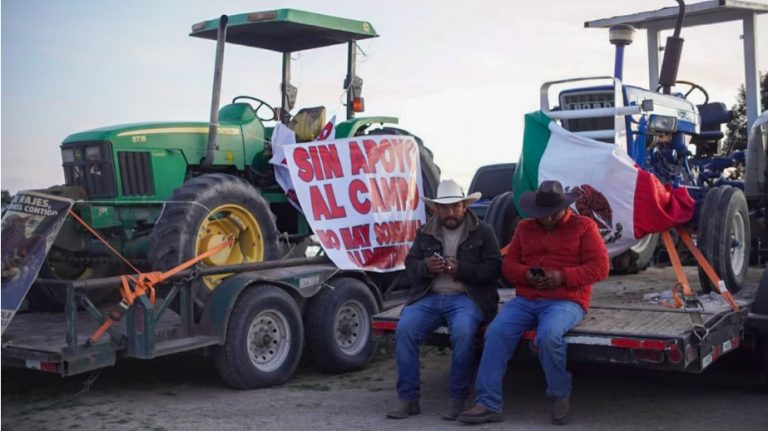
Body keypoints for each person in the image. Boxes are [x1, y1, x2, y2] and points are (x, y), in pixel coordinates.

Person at [458, 180, 609, 425]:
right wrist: (527, 275)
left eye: (552, 214)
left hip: (566, 299)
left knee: (548, 337)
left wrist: (562, 276)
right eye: (543, 215)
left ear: (564, 207)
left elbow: (600, 268)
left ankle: (559, 394)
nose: (547, 219)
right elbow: (508, 265)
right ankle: (488, 403)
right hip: (527, 298)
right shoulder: (525, 228)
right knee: (495, 332)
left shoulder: (584, 227)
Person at [386, 179, 502, 420]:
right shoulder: (425, 232)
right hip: (429, 296)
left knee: (462, 332)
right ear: (435, 209)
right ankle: (408, 398)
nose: (450, 212)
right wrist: (426, 267)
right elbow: (409, 267)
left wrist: (461, 270)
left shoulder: (483, 230)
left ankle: (456, 398)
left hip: (466, 298)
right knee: (405, 329)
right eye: (444, 208)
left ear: (464, 207)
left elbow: (494, 270)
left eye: (455, 207)